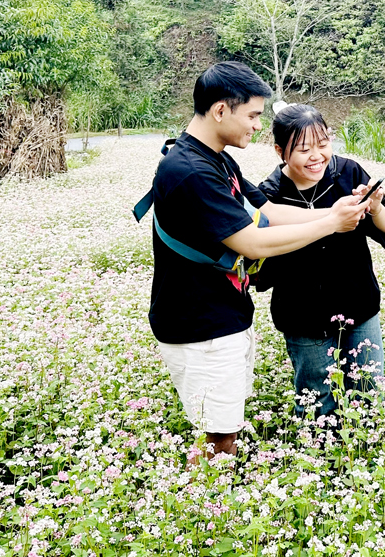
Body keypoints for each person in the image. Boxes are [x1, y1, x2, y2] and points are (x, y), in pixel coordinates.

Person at [142, 63, 368, 460]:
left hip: (222, 316)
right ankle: (208, 510)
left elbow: (268, 210)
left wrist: (336, 210)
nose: (258, 126)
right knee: (219, 437)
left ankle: (215, 498)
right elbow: (252, 242)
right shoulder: (191, 170)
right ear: (220, 111)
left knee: (225, 427)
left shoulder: (216, 159)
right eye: (252, 115)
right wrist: (332, 222)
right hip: (199, 325)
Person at [255, 103, 385, 423]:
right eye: (304, 149)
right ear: (280, 151)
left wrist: (376, 207)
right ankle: (320, 461)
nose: (317, 156)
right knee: (315, 397)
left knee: (369, 390)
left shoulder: (348, 173)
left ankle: (364, 455)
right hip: (302, 315)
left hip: (358, 304)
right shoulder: (269, 195)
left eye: (323, 144)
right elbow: (260, 261)